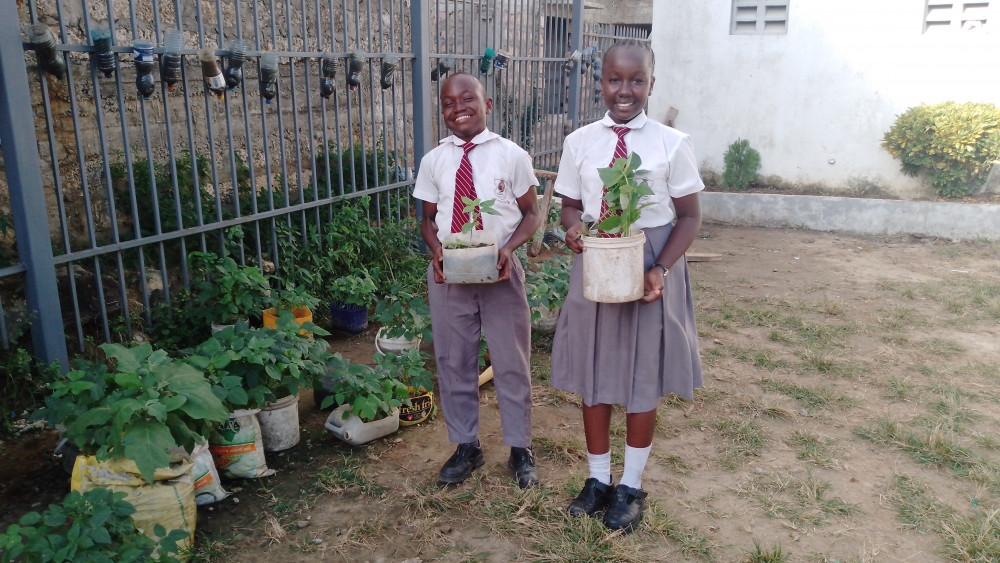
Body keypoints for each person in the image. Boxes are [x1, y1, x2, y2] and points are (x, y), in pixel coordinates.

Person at [550, 40, 704, 532]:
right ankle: (598, 480)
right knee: (594, 376)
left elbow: (689, 216)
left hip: (649, 269)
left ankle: (631, 485)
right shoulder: (580, 143)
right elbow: (570, 205)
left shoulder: (670, 144)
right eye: (615, 80)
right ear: (601, 83)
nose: (624, 91)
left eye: (636, 81)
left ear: (651, 85)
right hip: (598, 264)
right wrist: (573, 229)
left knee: (641, 380)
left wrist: (660, 268)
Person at [413, 72, 542, 489]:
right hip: (450, 275)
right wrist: (436, 249)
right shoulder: (434, 161)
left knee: (511, 361)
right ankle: (466, 445)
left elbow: (531, 214)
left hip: (500, 271)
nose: (458, 108)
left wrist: (509, 249)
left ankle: (520, 448)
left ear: (487, 105)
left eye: (467, 99)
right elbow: (428, 220)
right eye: (448, 103)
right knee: (454, 361)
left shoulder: (511, 155)